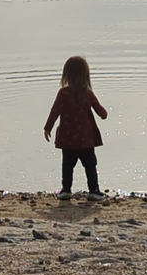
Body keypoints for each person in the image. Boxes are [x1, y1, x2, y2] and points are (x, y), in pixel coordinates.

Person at [43, 55, 108, 201]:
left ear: (66, 74)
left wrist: (48, 128)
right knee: (90, 165)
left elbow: (55, 111)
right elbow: (100, 111)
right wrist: (104, 114)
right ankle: (94, 190)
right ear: (86, 75)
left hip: (68, 139)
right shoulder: (87, 93)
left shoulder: (63, 93)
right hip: (86, 139)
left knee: (67, 164)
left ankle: (66, 189)